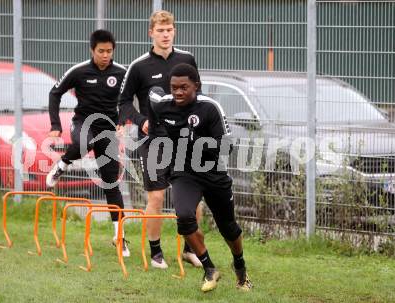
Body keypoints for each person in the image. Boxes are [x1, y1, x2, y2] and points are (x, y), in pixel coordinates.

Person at [149, 63, 253, 292]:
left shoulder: (210, 108)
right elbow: (154, 114)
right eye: (174, 87)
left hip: (212, 172)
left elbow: (227, 147)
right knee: (184, 218)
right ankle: (209, 269)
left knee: (229, 228)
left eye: (184, 87)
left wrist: (195, 142)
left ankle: (240, 269)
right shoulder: (163, 106)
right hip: (183, 172)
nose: (178, 92)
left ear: (196, 86)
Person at [118, 10, 202, 268]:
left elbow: (198, 96)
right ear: (151, 33)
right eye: (160, 30)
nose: (165, 35)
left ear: (174, 31)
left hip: (184, 141)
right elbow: (123, 102)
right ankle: (156, 253)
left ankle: (191, 249)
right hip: (152, 140)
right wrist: (140, 120)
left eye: (169, 30)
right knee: (156, 197)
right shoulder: (139, 65)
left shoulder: (187, 60)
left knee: (194, 198)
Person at [46, 29, 130, 257]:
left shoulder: (122, 73)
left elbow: (129, 100)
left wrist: (123, 120)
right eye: (101, 51)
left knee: (111, 182)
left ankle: (120, 236)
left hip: (108, 129)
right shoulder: (79, 71)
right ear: (92, 50)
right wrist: (55, 125)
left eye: (109, 51)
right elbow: (55, 93)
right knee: (85, 142)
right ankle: (63, 164)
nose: (105, 55)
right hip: (83, 122)